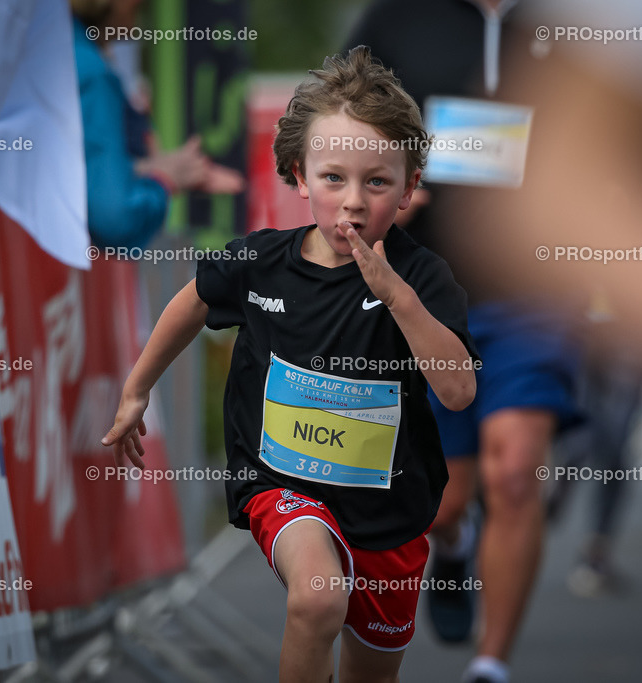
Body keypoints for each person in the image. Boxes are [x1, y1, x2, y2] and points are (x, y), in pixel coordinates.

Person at [102, 47, 478, 683]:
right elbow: (193, 299)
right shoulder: (259, 263)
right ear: (298, 176)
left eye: (377, 182)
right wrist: (137, 389)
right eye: (333, 178)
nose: (353, 202)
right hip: (281, 480)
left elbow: (459, 392)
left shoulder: (422, 279)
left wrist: (399, 300)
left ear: (410, 187)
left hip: (389, 507)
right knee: (319, 595)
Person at [347, 3, 586, 681]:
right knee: (445, 500)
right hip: (428, 289)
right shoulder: (398, 16)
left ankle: (491, 664)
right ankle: (453, 543)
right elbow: (340, 114)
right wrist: (382, 180)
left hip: (538, 288)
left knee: (516, 471)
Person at [71, 0, 243, 247]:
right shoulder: (91, 74)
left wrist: (144, 169)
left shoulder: (47, 51)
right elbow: (114, 218)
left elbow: (69, 174)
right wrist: (163, 181)